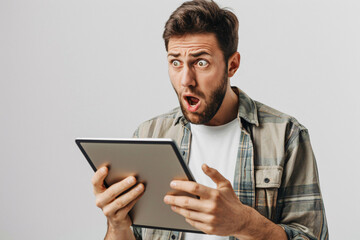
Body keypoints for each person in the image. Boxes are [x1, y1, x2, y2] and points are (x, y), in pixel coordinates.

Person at [91, 0, 328, 239]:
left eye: (200, 62)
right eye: (175, 62)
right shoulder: (149, 134)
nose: (186, 80)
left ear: (231, 65)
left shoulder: (285, 135)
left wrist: (244, 223)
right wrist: (117, 225)